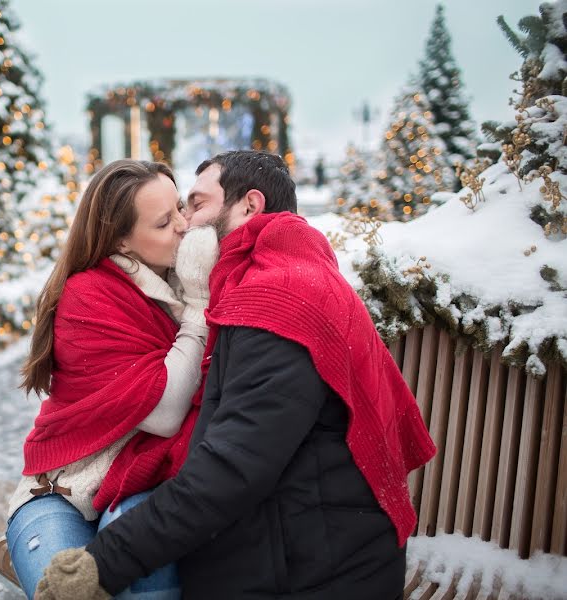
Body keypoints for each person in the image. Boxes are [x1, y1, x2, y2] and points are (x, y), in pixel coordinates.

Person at [34, 150, 438, 599]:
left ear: (249, 206)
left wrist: (104, 563)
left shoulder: (276, 296)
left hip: (311, 574)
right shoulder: (278, 273)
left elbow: (232, 466)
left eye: (196, 203)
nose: (187, 222)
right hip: (299, 547)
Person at [0, 159, 221, 599]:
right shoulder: (89, 295)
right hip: (64, 490)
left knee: (144, 573)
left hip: (145, 481)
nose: (183, 226)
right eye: (163, 222)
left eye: (179, 208)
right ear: (122, 242)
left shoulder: (184, 274)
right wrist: (197, 308)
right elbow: (165, 411)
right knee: (65, 589)